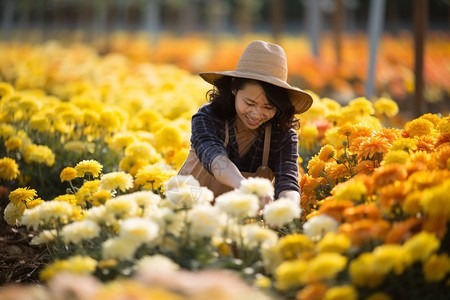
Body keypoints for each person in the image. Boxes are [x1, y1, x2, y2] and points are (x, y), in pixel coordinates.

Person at [178, 40, 313, 204]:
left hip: (244, 219)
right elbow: (215, 158)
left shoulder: (283, 136)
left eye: (268, 107)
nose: (257, 114)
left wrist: (286, 209)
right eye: (249, 103)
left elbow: (288, 182)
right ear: (234, 87)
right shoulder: (209, 116)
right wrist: (245, 187)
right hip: (187, 209)